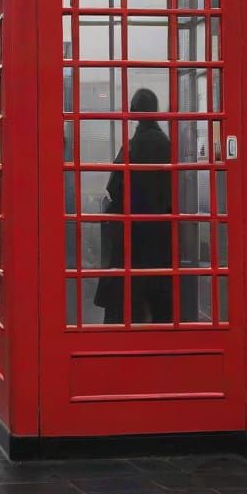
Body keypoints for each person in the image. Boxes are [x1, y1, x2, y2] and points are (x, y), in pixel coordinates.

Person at [95, 89, 171, 324]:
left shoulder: (132, 147)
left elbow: (114, 187)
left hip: (132, 236)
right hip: (161, 236)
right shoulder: (166, 145)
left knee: (124, 302)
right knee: (159, 305)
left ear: (136, 112)